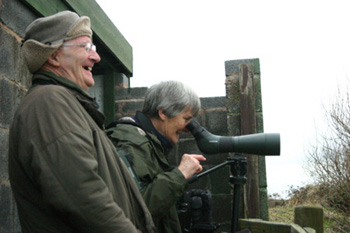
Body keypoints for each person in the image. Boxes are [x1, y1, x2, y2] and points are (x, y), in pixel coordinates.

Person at [8, 11, 155, 233]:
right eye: (85, 47)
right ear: (53, 57)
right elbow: (84, 197)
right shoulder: (49, 103)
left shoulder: (67, 104)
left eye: (93, 48)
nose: (96, 57)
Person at [106, 80, 207, 233]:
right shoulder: (131, 142)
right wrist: (180, 174)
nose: (188, 129)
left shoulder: (150, 142)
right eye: (186, 119)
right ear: (163, 113)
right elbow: (136, 209)